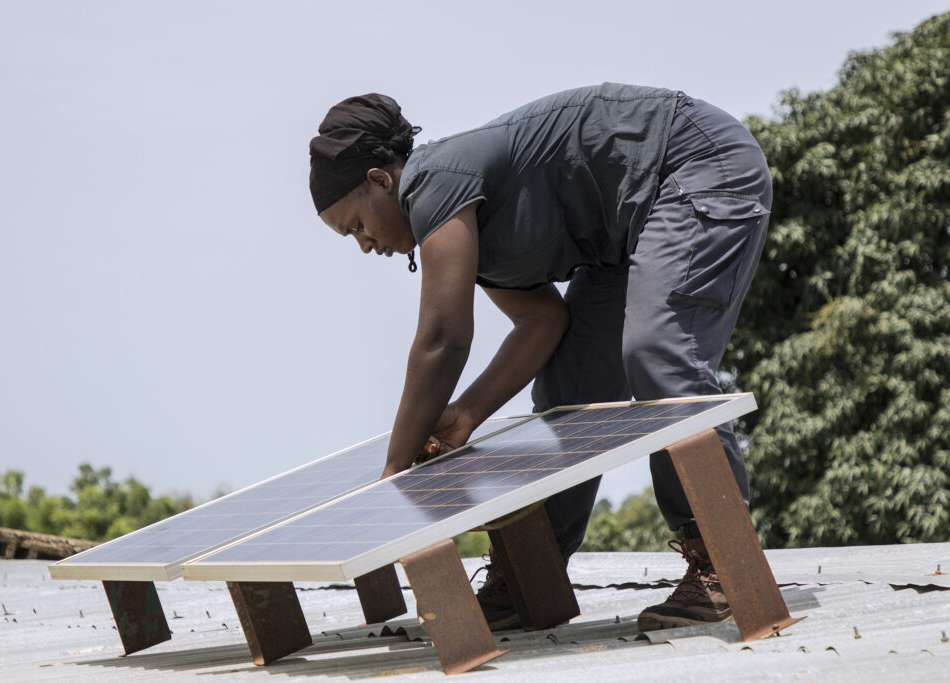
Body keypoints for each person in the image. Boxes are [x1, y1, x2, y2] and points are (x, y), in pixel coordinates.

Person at [307, 83, 772, 632]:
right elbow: (542, 322)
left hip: (695, 164)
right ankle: (531, 574)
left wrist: (394, 473)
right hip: (620, 240)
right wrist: (465, 414)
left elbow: (443, 339)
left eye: (357, 225)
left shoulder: (437, 182)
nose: (364, 244)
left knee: (658, 352)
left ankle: (721, 561)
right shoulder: (463, 221)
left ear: (382, 181)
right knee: (570, 389)